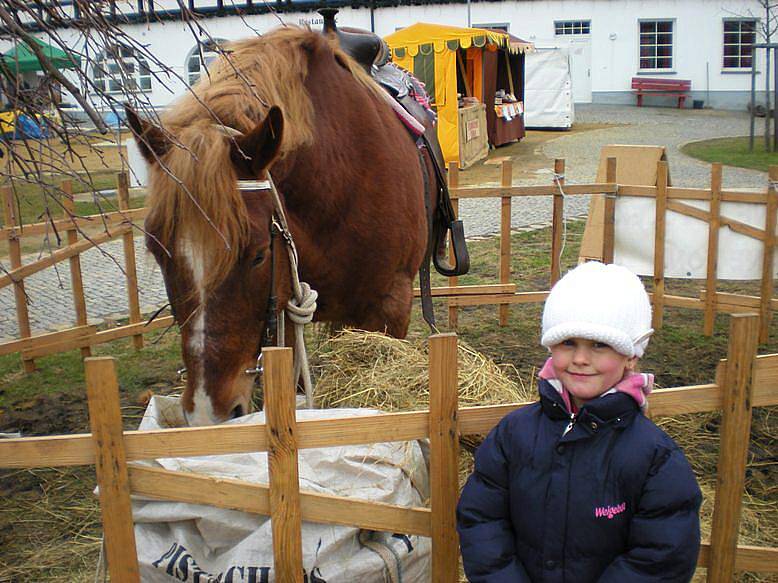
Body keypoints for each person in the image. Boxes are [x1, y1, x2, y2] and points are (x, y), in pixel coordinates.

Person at [457, 261, 702, 582]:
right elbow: (482, 519)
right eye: (568, 342)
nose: (581, 359)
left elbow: (661, 556)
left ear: (631, 355)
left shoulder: (655, 456)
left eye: (600, 344)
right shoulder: (514, 433)